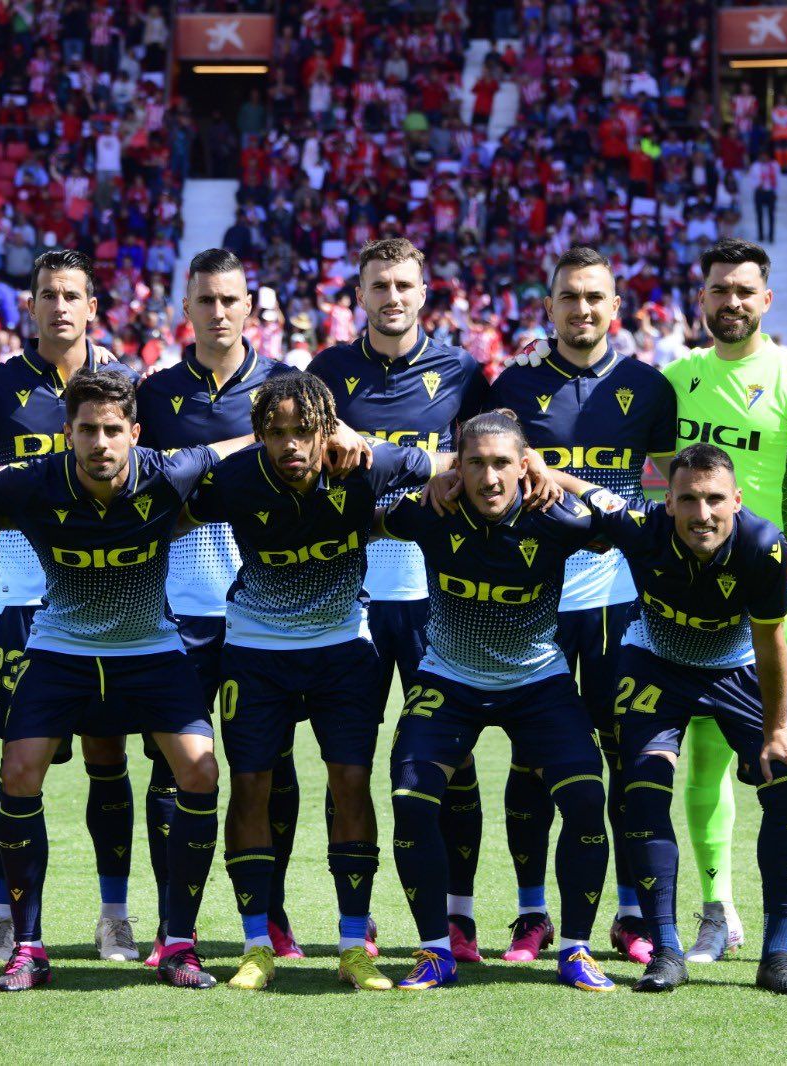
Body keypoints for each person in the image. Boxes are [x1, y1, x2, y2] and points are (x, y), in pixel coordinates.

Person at [0, 371, 366, 991]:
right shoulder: (36, 481)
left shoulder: (165, 474)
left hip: (150, 648)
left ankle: (178, 943)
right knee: (17, 773)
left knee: (200, 770)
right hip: (61, 648)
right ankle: (29, 947)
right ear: (67, 434)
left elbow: (233, 446)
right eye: (86, 429)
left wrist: (339, 430)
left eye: (112, 429)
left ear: (134, 434)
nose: (99, 442)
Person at [181, 372, 438, 992]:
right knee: (250, 786)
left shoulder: (367, 467)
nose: (291, 445)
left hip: (343, 650)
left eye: (304, 431)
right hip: (254, 652)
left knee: (351, 783)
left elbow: (445, 463)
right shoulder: (237, 478)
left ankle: (354, 946)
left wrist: (359, 438)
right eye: (276, 433)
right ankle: (255, 945)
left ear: (328, 430)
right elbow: (169, 493)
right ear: (259, 435)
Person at [553, 442, 787, 996]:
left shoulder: (764, 545)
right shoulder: (640, 528)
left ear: (737, 501)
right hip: (656, 662)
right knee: (641, 789)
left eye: (716, 500)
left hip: (739, 664)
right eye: (689, 500)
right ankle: (667, 952)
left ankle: (778, 957)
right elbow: (587, 489)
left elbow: (771, 640)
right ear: (667, 503)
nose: (703, 514)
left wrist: (776, 729)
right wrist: (536, 466)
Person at [0, 248, 144, 964]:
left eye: (72, 295)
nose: (59, 306)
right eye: (47, 295)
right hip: (23, 599)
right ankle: (5, 914)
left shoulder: (124, 382)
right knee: (17, 765)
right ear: (27, 306)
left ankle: (114, 915)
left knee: (107, 756)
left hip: (108, 600)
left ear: (93, 306)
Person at [486, 246, 678, 965]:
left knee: (626, 759)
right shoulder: (514, 383)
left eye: (595, 297)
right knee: (532, 759)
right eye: (569, 297)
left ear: (615, 309)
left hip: (619, 602)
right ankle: (531, 913)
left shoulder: (648, 388)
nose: (582, 309)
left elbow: (681, 479)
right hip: (534, 597)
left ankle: (630, 915)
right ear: (550, 307)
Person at [308, 237, 498, 961]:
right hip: (348, 593)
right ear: (359, 294)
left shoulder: (463, 372)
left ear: (426, 292)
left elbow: (484, 460)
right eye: (379, 285)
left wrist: (383, 453)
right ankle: (354, 920)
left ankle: (460, 916)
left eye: (404, 285)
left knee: (451, 760)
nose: (392, 297)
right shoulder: (326, 372)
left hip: (435, 593)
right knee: (345, 759)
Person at [379, 409, 613, 992]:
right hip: (448, 680)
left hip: (537, 681)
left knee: (586, 798)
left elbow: (630, 520)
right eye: (475, 463)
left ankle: (576, 949)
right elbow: (364, 514)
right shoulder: (431, 510)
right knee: (410, 799)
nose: (489, 478)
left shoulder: (555, 516)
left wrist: (565, 479)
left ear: (523, 464)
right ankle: (436, 950)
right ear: (458, 466)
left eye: (503, 463)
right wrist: (426, 480)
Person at [662, 239, 787, 970]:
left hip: (773, 599)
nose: (729, 302)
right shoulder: (674, 381)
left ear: (766, 301)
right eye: (717, 290)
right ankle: (717, 913)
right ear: (699, 300)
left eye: (743, 291)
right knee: (701, 762)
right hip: (691, 602)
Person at [134, 248, 309, 961]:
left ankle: (272, 913)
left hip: (263, 611)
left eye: (230, 300)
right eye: (205, 300)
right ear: (187, 310)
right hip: (174, 609)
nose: (218, 312)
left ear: (249, 306)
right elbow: (144, 490)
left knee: (275, 766)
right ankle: (177, 920)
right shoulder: (152, 394)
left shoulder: (289, 387)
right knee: (170, 766)